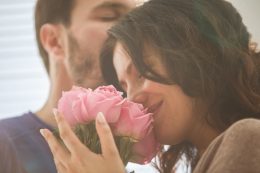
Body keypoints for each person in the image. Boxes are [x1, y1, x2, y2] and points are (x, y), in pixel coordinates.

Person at [40, 0, 260, 172]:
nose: (133, 98)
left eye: (142, 72)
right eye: (125, 87)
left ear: (194, 53)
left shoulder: (247, 138)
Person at [0, 0, 136, 173]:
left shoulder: (122, 154)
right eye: (109, 16)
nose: (136, 32)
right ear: (55, 41)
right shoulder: (4, 144)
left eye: (135, 20)